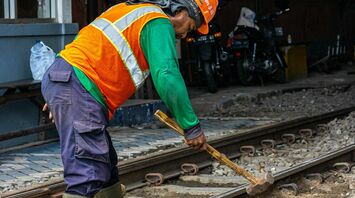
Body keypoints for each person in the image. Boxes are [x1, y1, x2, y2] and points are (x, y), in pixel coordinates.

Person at [41, 0, 218, 197]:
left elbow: (87, 44)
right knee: (87, 172)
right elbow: (167, 75)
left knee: (106, 165)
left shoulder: (131, 9)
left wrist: (62, 92)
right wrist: (191, 126)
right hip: (77, 83)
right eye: (190, 27)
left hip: (65, 77)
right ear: (182, 10)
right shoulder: (157, 21)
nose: (184, 35)